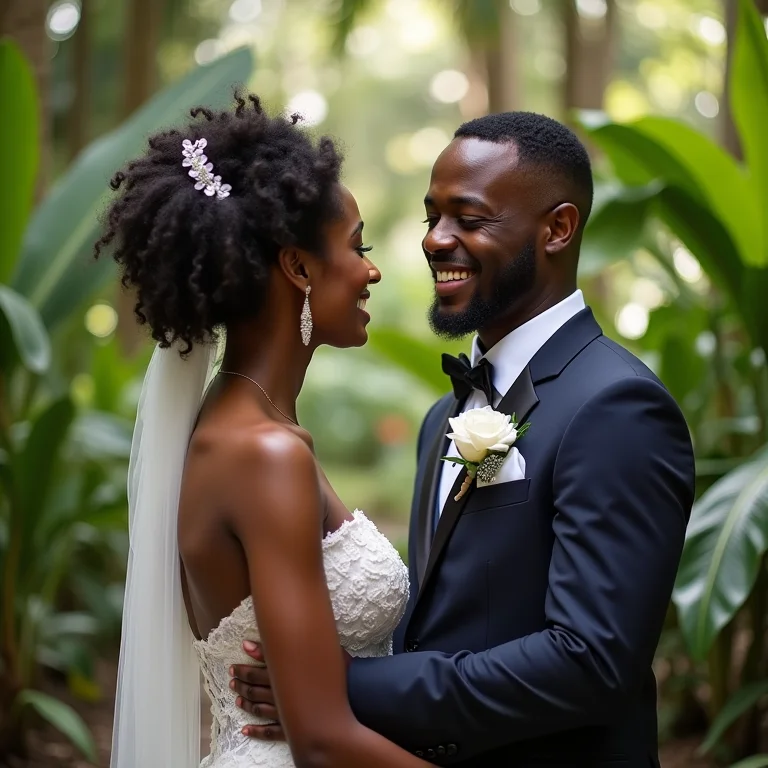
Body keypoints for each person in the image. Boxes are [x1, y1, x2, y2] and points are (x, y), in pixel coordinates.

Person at [230, 112, 696, 767]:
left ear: (558, 228)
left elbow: (591, 660)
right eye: (432, 217)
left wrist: (343, 689)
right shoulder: (440, 419)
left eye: (469, 219)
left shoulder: (617, 407)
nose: (435, 240)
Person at [100, 94, 436, 768]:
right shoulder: (264, 454)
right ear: (299, 267)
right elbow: (321, 740)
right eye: (358, 246)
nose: (371, 270)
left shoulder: (240, 426)